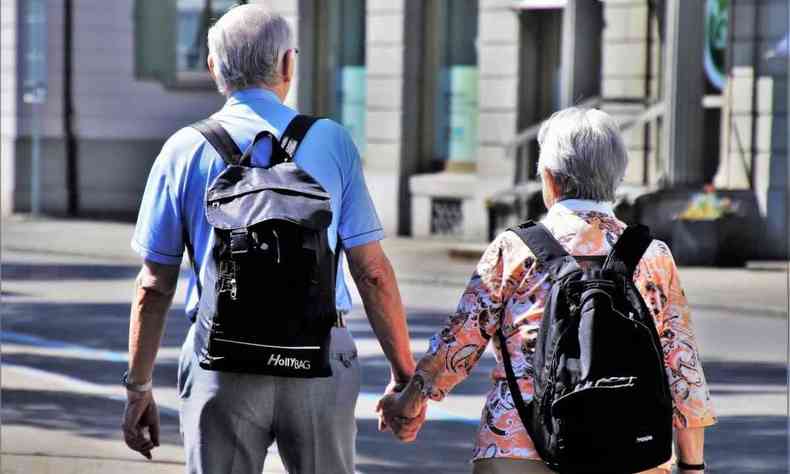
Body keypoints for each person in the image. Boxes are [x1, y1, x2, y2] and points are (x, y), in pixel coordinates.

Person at [121, 5, 422, 473]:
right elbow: (372, 271)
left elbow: (154, 285)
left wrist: (138, 387)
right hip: (319, 358)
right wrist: (405, 375)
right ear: (287, 64)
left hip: (221, 361)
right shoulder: (332, 141)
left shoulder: (182, 149)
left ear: (213, 68)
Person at [379, 107, 716, 473]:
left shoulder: (514, 249)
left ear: (550, 177)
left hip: (519, 446)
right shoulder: (653, 256)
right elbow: (684, 370)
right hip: (631, 450)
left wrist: (410, 401)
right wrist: (692, 466)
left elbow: (460, 342)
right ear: (616, 176)